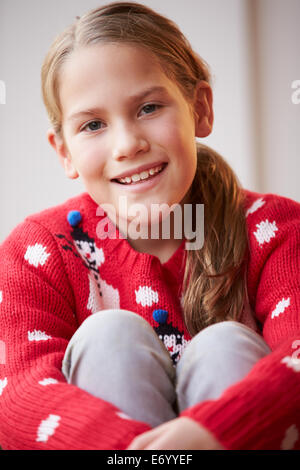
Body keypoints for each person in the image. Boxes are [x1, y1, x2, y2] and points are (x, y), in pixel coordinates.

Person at [0, 1, 299, 451]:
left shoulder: (275, 231)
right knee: (108, 338)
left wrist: (212, 434)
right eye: (94, 124)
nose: (127, 144)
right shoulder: (37, 251)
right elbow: (17, 396)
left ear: (200, 108)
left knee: (223, 345)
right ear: (64, 152)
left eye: (148, 108)